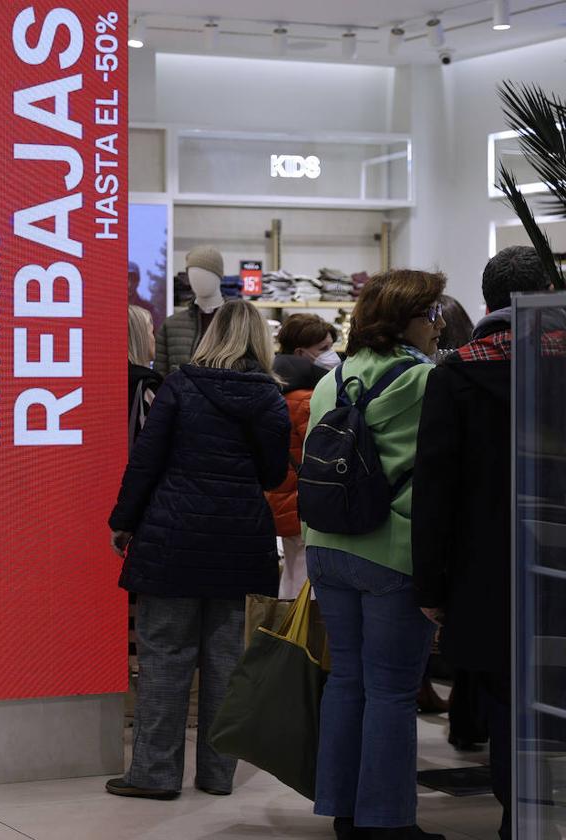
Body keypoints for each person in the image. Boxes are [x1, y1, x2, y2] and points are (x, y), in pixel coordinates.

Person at [107, 299, 290, 801]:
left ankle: (154, 774)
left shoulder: (180, 386)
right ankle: (217, 774)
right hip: (241, 545)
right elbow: (274, 475)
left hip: (173, 539)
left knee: (165, 657)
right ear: (260, 340)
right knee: (227, 664)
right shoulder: (271, 398)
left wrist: (123, 522)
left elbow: (146, 460)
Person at [413, 246, 556, 840]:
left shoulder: (455, 375)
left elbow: (435, 489)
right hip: (557, 559)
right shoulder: (557, 365)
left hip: (485, 567)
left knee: (506, 701)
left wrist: (431, 586)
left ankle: (517, 817)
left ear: (488, 300)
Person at [302, 269, 448, 840]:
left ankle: (344, 810)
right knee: (390, 689)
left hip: (327, 548)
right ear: (406, 319)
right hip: (392, 551)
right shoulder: (428, 382)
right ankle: (386, 821)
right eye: (432, 313)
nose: (438, 326)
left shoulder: (330, 381)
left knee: (348, 682)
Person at [267, 314, 339, 599]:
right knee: (306, 583)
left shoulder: (273, 390)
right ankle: (299, 640)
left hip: (280, 498)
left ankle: (285, 638)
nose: (331, 355)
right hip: (303, 501)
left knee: (292, 574)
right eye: (323, 349)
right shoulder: (308, 398)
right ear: (300, 353)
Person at [127, 305, 161, 445]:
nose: (154, 339)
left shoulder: (108, 381)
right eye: (151, 332)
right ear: (140, 337)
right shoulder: (146, 386)